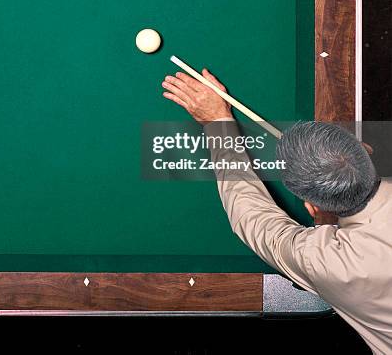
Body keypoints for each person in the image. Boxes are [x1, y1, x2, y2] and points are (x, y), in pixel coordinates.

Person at [162, 69, 391, 355]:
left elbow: (250, 215)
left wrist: (218, 123)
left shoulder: (331, 264)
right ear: (364, 149)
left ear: (314, 207)